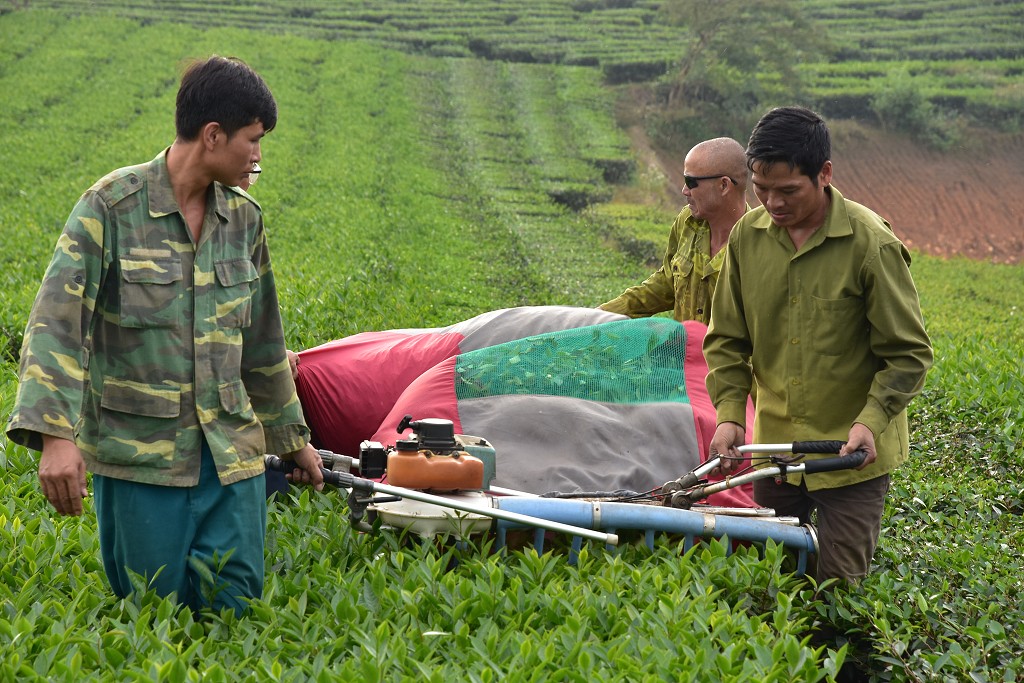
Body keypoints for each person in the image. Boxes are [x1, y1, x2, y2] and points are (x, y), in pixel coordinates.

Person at [5, 56, 324, 614]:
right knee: (154, 616)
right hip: (140, 461)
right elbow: (57, 325)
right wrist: (55, 438)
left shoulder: (245, 219)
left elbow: (264, 343)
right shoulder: (111, 208)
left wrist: (292, 438)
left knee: (237, 618)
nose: (257, 154)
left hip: (232, 460)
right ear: (213, 135)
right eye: (252, 139)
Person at [703, 106, 933, 584]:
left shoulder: (870, 244)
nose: (773, 203)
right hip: (773, 453)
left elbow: (907, 354)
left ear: (824, 174)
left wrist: (870, 422)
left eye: (788, 191)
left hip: (850, 458)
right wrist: (728, 415)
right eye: (762, 190)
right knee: (769, 584)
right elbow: (726, 339)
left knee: (837, 589)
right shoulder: (747, 238)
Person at [599, 137, 750, 324]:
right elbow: (666, 283)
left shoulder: (757, 244)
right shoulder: (687, 223)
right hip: (682, 352)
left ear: (724, 185)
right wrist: (597, 316)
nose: (684, 190)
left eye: (691, 182)